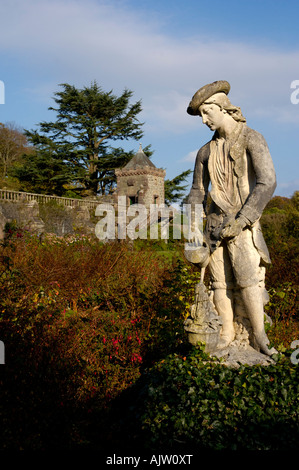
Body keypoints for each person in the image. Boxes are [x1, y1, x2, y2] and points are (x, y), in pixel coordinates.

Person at [186, 80, 277, 356]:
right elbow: (196, 192)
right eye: (201, 115)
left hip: (242, 226)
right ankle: (226, 333)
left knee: (248, 279)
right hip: (213, 228)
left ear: (222, 108)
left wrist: (244, 218)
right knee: (219, 282)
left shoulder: (252, 139)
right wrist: (191, 225)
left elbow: (267, 182)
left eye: (206, 113)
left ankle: (258, 337)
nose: (203, 120)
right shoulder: (205, 152)